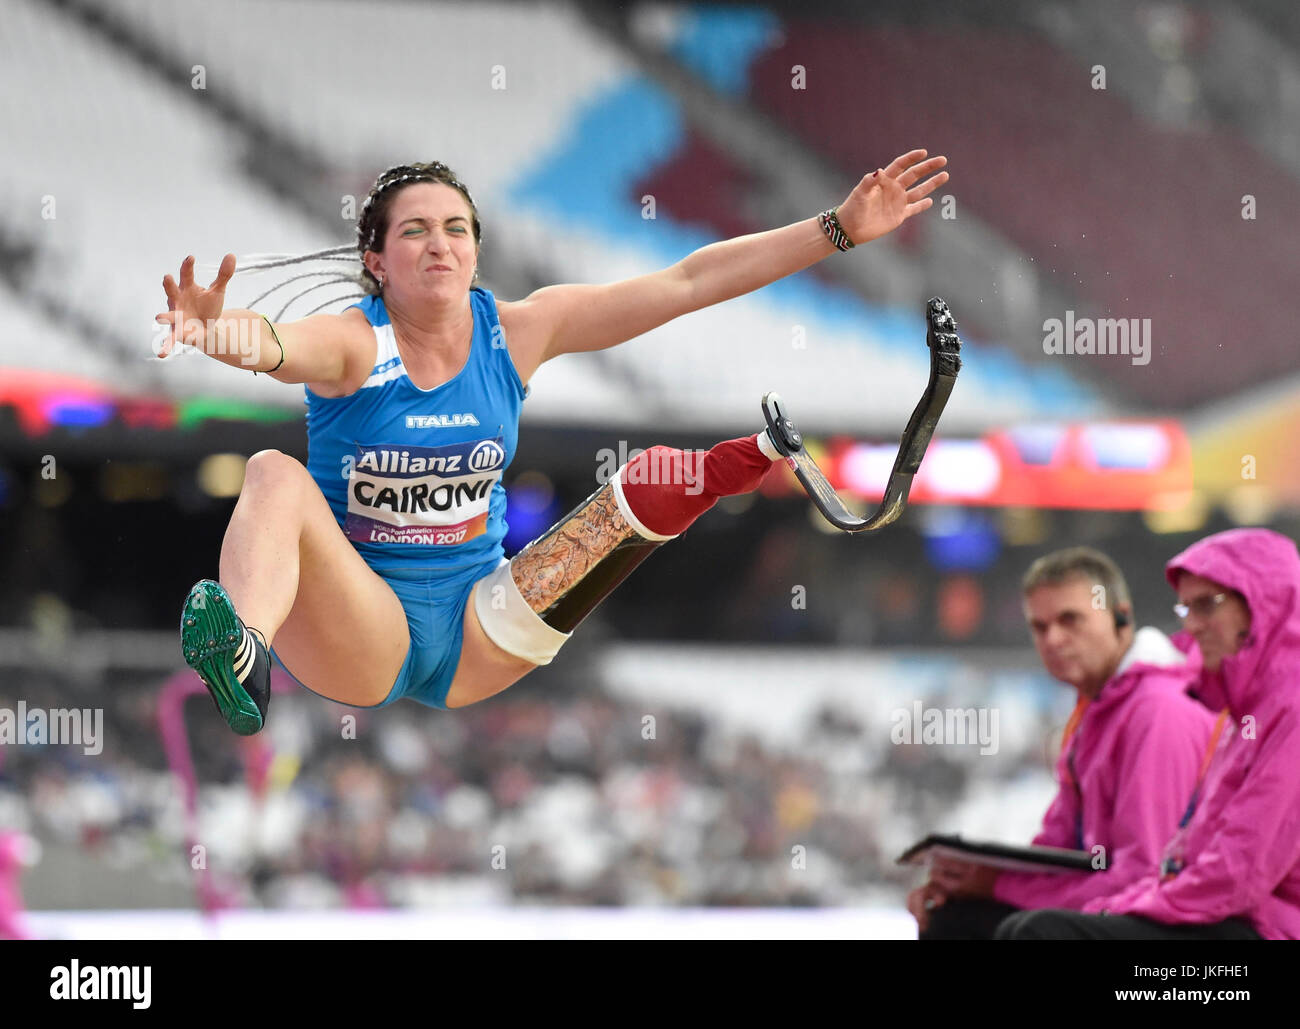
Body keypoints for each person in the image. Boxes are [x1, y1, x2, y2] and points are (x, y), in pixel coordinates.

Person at [157, 153, 949, 735]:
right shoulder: (353, 346)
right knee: (271, 472)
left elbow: (685, 283)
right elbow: (268, 342)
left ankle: (746, 462)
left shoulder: (519, 331)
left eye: (456, 228)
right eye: (415, 231)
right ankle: (244, 656)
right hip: (362, 631)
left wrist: (838, 229)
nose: (440, 243)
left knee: (639, 487)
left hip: (480, 628)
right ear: (376, 259)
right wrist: (211, 330)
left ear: (475, 249)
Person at [996, 528, 1300, 940]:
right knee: (997, 922)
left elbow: (1235, 873)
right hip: (1237, 915)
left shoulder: (1170, 709)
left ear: (1264, 604)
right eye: (1186, 609)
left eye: (1207, 606)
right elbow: (1183, 858)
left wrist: (1115, 906)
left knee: (1038, 933)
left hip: (1262, 925)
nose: (1192, 625)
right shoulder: (1242, 715)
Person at [907, 547, 1216, 939]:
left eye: (1070, 620)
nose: (1053, 639)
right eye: (1039, 627)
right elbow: (1057, 850)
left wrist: (999, 886)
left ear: (1121, 617)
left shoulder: (1158, 711)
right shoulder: (1098, 710)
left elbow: (1146, 874)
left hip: (1172, 917)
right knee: (954, 914)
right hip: (1124, 902)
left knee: (1033, 932)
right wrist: (964, 882)